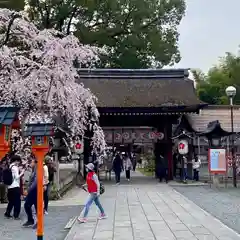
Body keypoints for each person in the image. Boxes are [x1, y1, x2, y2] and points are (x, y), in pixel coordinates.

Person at [5, 155, 25, 219]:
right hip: (15, 186)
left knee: (11, 201)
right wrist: (22, 172)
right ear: (16, 160)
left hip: (10, 187)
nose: (19, 162)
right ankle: (16, 215)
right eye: (18, 161)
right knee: (17, 201)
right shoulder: (15, 167)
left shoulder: (10, 166)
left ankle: (7, 213)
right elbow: (17, 177)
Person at [23, 158, 37, 227]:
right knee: (27, 205)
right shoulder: (33, 170)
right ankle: (30, 220)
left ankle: (35, 221)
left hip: (35, 191)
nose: (30, 164)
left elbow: (35, 182)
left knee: (35, 207)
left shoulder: (37, 170)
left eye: (31, 162)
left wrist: (28, 190)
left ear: (35, 163)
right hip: (32, 191)